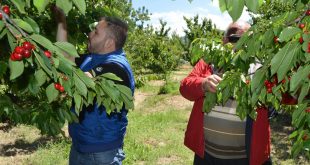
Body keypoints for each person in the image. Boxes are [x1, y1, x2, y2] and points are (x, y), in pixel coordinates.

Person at [179, 21, 273, 165]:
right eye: (235, 39)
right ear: (224, 40)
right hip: (207, 156)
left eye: (247, 40)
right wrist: (203, 83)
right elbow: (184, 87)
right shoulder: (208, 63)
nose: (240, 45)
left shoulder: (261, 69)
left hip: (245, 159)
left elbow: (290, 94)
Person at [54, 7, 135, 165]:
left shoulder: (117, 67)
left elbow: (85, 80)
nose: (90, 34)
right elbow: (64, 56)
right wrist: (61, 21)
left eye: (96, 32)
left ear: (109, 43)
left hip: (102, 154)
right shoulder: (92, 59)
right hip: (80, 146)